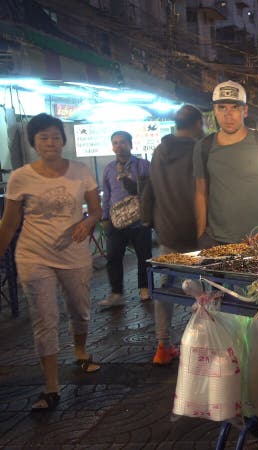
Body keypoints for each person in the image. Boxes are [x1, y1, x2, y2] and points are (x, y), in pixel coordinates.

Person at [0, 113, 102, 411]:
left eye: (55, 136)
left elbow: (96, 209)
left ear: (63, 140)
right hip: (34, 255)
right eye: (43, 137)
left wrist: (87, 223)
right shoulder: (20, 177)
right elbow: (8, 224)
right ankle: (51, 386)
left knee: (79, 309)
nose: (50, 142)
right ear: (33, 141)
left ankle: (81, 352)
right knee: (44, 317)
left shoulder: (81, 171)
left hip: (73, 254)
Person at [140, 105, 204, 365]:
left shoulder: (158, 152)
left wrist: (148, 221)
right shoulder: (199, 151)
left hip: (167, 232)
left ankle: (163, 346)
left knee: (165, 287)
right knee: (202, 289)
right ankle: (199, 344)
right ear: (199, 124)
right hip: (195, 231)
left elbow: (149, 190)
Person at [194, 80, 258, 247]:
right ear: (214, 111)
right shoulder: (203, 147)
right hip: (217, 242)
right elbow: (200, 194)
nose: (228, 115)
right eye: (222, 108)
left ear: (245, 111)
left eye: (235, 107)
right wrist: (200, 236)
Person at [98, 131, 152, 307]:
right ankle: (116, 293)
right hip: (116, 221)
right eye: (115, 143)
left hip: (139, 220)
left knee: (144, 256)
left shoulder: (143, 165)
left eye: (122, 142)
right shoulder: (109, 168)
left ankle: (145, 288)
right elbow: (106, 195)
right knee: (113, 257)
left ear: (131, 144)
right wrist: (105, 218)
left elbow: (151, 191)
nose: (118, 146)